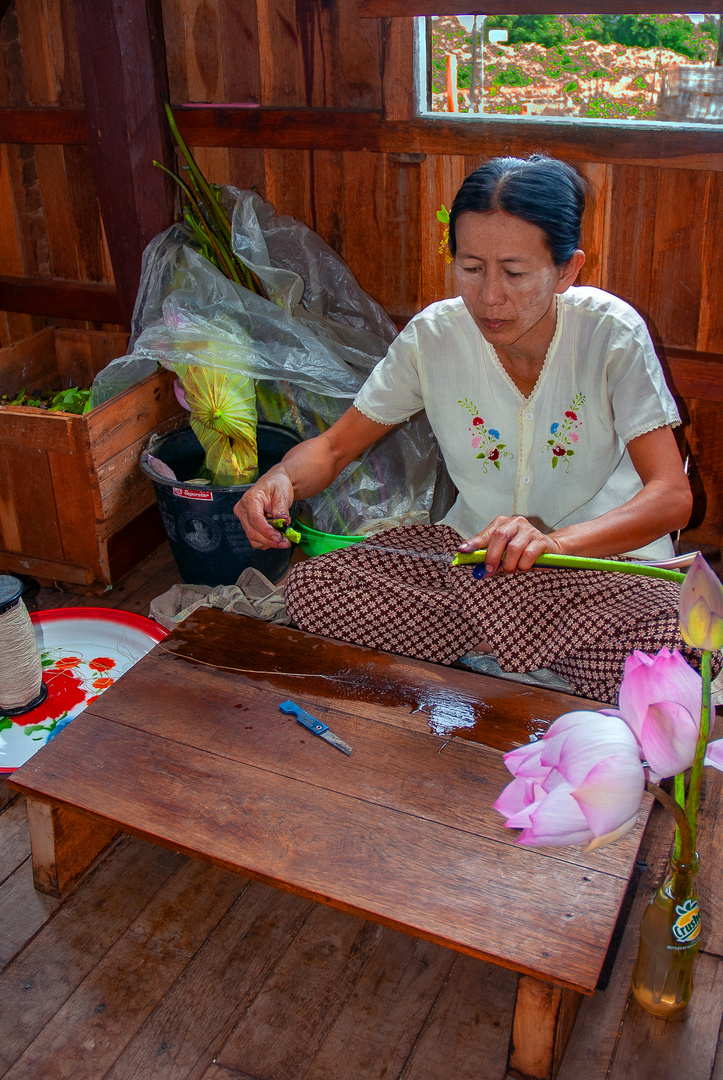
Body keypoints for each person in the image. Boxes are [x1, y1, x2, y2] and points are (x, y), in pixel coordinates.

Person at [235, 154, 706, 704]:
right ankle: (524, 650)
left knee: (671, 648)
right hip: (474, 566)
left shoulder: (610, 335)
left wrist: (551, 543)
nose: (489, 296)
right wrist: (282, 480)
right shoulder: (433, 337)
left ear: (568, 269)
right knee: (318, 588)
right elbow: (334, 449)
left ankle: (494, 650)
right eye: (471, 266)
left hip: (603, 570)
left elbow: (672, 498)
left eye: (515, 272)